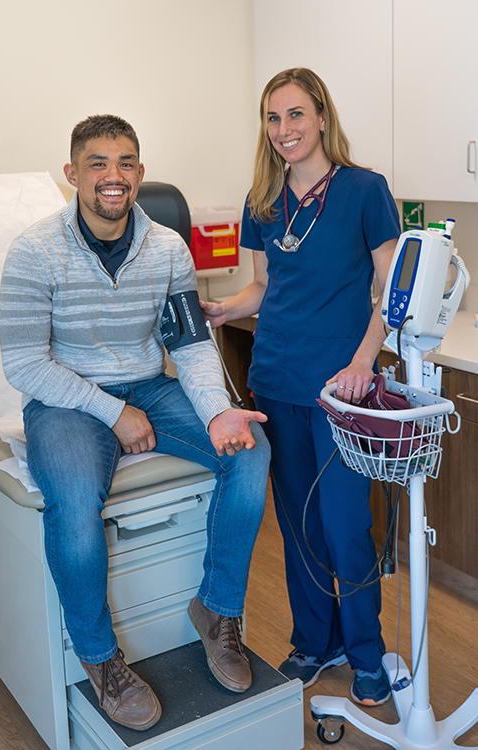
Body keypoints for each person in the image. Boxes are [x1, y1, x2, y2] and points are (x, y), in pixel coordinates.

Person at [0, 115, 271, 731]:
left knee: (250, 451)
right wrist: (113, 412)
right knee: (70, 501)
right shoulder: (34, 250)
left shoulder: (170, 249)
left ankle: (217, 611)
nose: (112, 177)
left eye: (125, 163)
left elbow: (194, 347)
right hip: (66, 399)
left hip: (149, 384)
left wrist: (218, 411)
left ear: (140, 174)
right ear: (72, 174)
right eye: (97, 163)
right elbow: (23, 363)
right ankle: (100, 660)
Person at [201, 68, 401, 707]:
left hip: (342, 390)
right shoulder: (261, 197)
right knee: (299, 525)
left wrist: (365, 362)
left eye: (294, 115)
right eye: (272, 118)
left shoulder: (366, 191)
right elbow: (264, 287)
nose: (283, 130)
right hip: (277, 379)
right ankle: (317, 643)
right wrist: (225, 310)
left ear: (320, 117)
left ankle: (366, 651)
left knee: (345, 524)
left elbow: (391, 294)